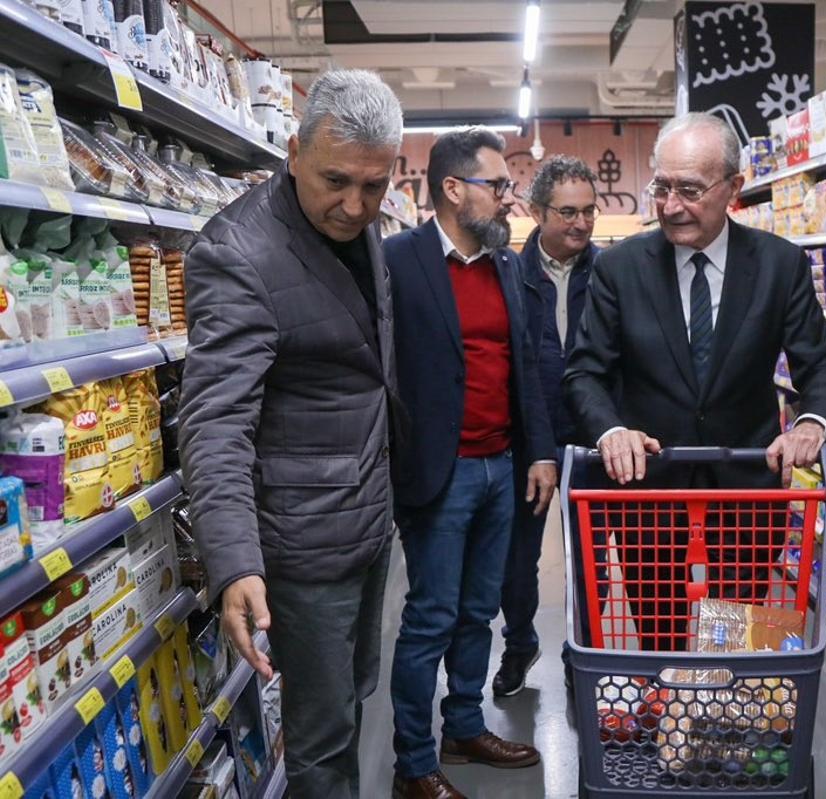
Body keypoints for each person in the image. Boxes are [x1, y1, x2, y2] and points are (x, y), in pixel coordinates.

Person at [178, 69, 405, 799]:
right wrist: (235, 560)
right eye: (337, 180)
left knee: (349, 702)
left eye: (374, 186)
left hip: (367, 518)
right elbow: (214, 421)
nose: (355, 205)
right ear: (293, 151)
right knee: (320, 738)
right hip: (303, 544)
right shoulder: (238, 253)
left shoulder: (362, 225)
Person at [563, 112, 826, 652]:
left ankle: (723, 727)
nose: (671, 206)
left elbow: (822, 365)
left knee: (739, 643)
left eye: (690, 189)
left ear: (733, 189)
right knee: (661, 640)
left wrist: (811, 422)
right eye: (662, 187)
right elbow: (584, 372)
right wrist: (611, 430)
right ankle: (671, 724)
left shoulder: (778, 265)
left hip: (747, 492)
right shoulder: (619, 269)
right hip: (652, 495)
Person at [385, 127, 556, 799]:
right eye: (498, 185)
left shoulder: (505, 265)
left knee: (478, 610)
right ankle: (414, 763)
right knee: (430, 614)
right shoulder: (397, 261)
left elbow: (528, 368)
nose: (509, 198)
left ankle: (463, 724)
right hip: (439, 471)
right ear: (454, 190)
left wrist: (538, 450)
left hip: (500, 467)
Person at [494, 155, 600, 697]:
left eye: (589, 212)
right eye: (567, 212)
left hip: (591, 438)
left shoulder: (609, 272)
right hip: (528, 439)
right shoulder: (509, 273)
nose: (580, 223)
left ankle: (578, 653)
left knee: (589, 557)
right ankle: (519, 643)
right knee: (518, 558)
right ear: (537, 211)